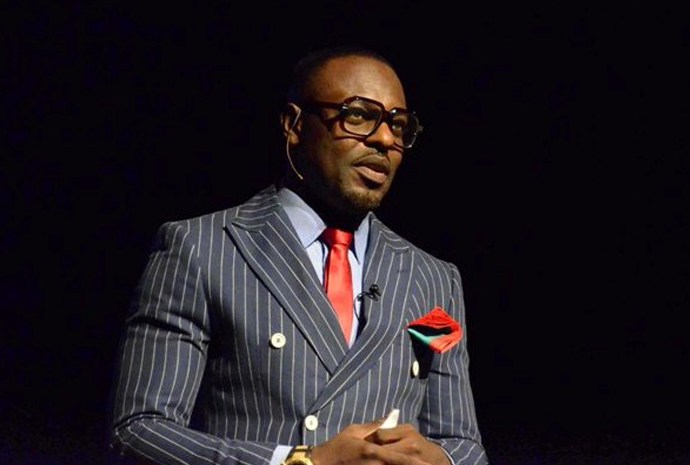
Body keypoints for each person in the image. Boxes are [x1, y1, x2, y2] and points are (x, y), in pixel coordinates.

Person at [108, 45, 488, 465]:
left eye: (398, 126)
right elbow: (138, 431)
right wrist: (303, 461)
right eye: (357, 116)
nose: (384, 139)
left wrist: (440, 460)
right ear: (294, 125)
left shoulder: (432, 280)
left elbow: (463, 444)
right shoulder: (201, 249)